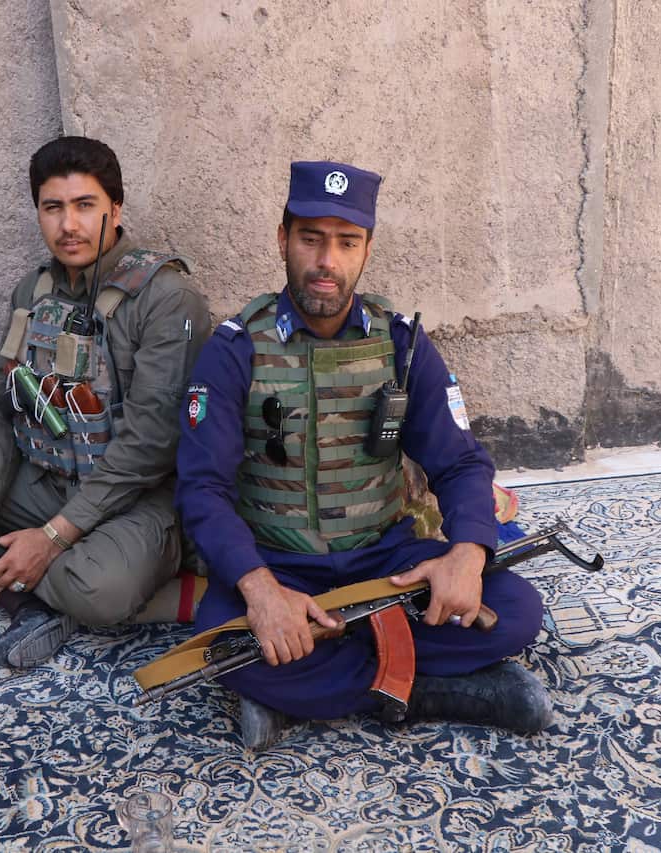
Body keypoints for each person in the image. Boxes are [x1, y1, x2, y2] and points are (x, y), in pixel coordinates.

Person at [174, 160, 551, 750]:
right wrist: (261, 591)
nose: (328, 261)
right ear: (283, 240)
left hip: (385, 560)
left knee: (517, 608)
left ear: (367, 249)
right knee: (221, 646)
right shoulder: (235, 349)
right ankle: (435, 688)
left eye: (346, 242)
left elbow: (460, 462)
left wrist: (468, 555)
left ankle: (310, 682)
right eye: (311, 239)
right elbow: (202, 488)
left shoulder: (400, 342)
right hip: (282, 564)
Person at [0, 136, 212, 669]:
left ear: (115, 209)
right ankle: (22, 594)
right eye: (53, 208)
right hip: (42, 479)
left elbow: (153, 444)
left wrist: (53, 538)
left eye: (85, 206)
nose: (68, 225)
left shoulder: (168, 298)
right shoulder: (32, 291)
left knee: (100, 592)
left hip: (131, 498)